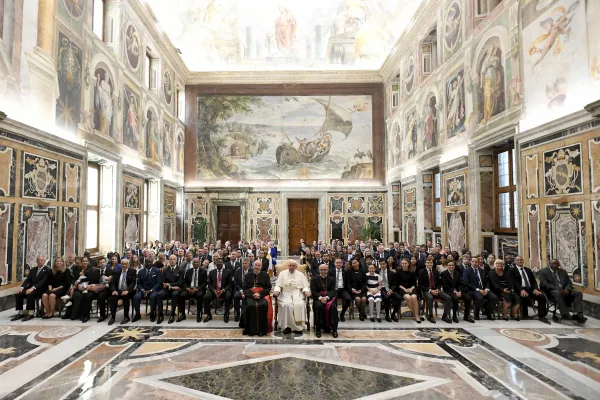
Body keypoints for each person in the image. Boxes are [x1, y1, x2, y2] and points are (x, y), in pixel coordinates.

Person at [539, 259, 586, 323]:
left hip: (564, 289)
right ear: (550, 264)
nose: (555, 265)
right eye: (553, 264)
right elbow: (544, 283)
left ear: (559, 265)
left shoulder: (563, 271)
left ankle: (578, 314)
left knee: (578, 293)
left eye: (556, 264)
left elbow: (569, 282)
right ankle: (565, 314)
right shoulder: (543, 271)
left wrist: (567, 289)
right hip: (551, 290)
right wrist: (559, 289)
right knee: (558, 293)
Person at [273, 260, 311, 334]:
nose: (291, 267)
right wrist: (277, 290)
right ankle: (287, 327)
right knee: (287, 305)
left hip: (297, 293)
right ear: (288, 266)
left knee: (300, 304)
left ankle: (298, 327)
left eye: (293, 266)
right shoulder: (282, 273)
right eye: (290, 265)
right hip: (285, 293)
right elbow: (278, 285)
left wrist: (306, 291)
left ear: (296, 267)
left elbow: (305, 286)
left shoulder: (300, 275)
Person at [510, 255, 547, 322]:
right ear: (515, 261)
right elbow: (514, 282)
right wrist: (521, 290)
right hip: (519, 289)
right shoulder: (512, 270)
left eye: (521, 260)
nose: (519, 261)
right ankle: (524, 315)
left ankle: (541, 315)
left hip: (530, 289)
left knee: (541, 296)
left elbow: (533, 281)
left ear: (523, 261)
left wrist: (535, 289)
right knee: (524, 297)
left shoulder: (528, 270)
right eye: (518, 260)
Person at [12, 256, 51, 321]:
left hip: (41, 289)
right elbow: (28, 280)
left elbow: (42, 282)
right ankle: (20, 313)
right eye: (38, 260)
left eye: (41, 260)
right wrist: (21, 287)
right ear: (36, 261)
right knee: (19, 293)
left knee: (30, 294)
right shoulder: (33, 270)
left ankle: (31, 313)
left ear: (44, 261)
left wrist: (33, 288)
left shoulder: (47, 270)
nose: (40, 261)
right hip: (31, 288)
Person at [242, 260, 273, 336]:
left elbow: (268, 287)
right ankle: (251, 330)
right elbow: (245, 288)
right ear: (253, 266)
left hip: (262, 295)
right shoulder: (247, 275)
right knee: (250, 306)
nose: (257, 267)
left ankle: (262, 330)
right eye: (256, 265)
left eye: (259, 265)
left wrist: (260, 294)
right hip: (250, 295)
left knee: (263, 305)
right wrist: (253, 295)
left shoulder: (265, 275)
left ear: (261, 267)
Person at [463, 255, 497, 320]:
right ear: (470, 262)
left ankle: (487, 311)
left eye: (476, 261)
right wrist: (478, 290)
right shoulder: (467, 270)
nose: (474, 263)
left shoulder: (482, 270)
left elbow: (487, 281)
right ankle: (477, 313)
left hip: (484, 289)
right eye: (473, 261)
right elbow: (466, 283)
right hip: (473, 290)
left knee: (494, 298)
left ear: (478, 262)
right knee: (480, 298)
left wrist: (486, 289)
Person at [419, 258, 451, 323]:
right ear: (425, 263)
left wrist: (437, 289)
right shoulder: (422, 271)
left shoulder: (435, 271)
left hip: (436, 289)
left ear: (433, 264)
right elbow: (420, 285)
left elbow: (439, 283)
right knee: (430, 298)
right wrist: (430, 290)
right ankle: (430, 316)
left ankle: (445, 315)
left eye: (431, 263)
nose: (429, 264)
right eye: (428, 263)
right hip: (426, 290)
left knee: (448, 298)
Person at [311, 264, 339, 338]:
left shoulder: (332, 279)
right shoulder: (314, 279)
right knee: (319, 306)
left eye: (325, 270)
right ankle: (318, 329)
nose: (323, 271)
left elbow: (333, 290)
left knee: (333, 307)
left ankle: (334, 329)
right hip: (318, 298)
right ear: (319, 270)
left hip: (329, 298)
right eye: (322, 270)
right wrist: (320, 298)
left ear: (327, 270)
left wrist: (327, 297)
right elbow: (313, 291)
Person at [203, 256, 234, 323]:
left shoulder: (227, 272)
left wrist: (223, 290)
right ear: (216, 263)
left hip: (224, 290)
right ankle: (209, 315)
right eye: (218, 262)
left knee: (228, 296)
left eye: (221, 262)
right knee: (206, 297)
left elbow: (230, 284)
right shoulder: (212, 272)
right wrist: (214, 291)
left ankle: (226, 313)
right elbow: (209, 284)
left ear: (223, 264)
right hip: (214, 290)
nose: (219, 263)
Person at [157, 254, 185, 324]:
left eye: (174, 259)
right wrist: (166, 285)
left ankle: (172, 314)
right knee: (159, 295)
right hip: (167, 289)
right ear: (169, 260)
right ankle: (160, 314)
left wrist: (170, 285)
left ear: (176, 260)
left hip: (176, 289)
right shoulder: (165, 270)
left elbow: (180, 283)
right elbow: (163, 282)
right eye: (171, 259)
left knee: (175, 294)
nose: (172, 261)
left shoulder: (180, 270)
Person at [107, 258, 136, 325]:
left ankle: (126, 317)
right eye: (123, 264)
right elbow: (113, 283)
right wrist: (114, 290)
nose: (124, 265)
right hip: (119, 290)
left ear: (128, 264)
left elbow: (133, 282)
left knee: (125, 297)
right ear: (121, 265)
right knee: (113, 297)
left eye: (126, 264)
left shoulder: (132, 271)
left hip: (128, 291)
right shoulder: (117, 272)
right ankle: (113, 317)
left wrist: (127, 290)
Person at [393, 258, 421, 323]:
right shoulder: (398, 271)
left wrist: (411, 289)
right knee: (408, 297)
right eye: (403, 263)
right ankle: (416, 315)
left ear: (408, 264)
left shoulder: (412, 272)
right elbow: (397, 284)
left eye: (405, 263)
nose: (404, 265)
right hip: (402, 289)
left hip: (411, 288)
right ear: (401, 264)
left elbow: (415, 283)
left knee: (414, 297)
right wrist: (405, 289)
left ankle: (416, 315)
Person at [181, 257, 207, 323]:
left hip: (199, 289)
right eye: (194, 262)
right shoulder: (188, 271)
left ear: (199, 263)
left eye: (197, 262)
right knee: (182, 295)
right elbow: (185, 282)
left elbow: (205, 283)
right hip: (189, 288)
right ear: (192, 263)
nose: (195, 263)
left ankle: (199, 313)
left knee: (199, 295)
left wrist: (197, 289)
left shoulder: (203, 271)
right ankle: (183, 314)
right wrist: (187, 288)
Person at [329, 257, 351, 322]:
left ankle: (342, 314)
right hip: (334, 289)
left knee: (348, 299)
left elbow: (348, 282)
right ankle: (335, 315)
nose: (338, 264)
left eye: (340, 263)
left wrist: (351, 289)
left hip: (342, 289)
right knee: (333, 300)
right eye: (337, 263)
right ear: (335, 264)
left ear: (342, 264)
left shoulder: (345, 271)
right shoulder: (331, 271)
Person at [233, 257, 251, 322]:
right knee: (236, 296)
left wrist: (245, 292)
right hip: (239, 289)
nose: (244, 265)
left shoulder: (251, 271)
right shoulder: (238, 271)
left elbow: (252, 283)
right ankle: (237, 313)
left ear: (248, 264)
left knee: (249, 297)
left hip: (249, 290)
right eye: (243, 263)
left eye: (245, 263)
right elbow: (235, 282)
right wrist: (241, 291)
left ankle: (248, 314)